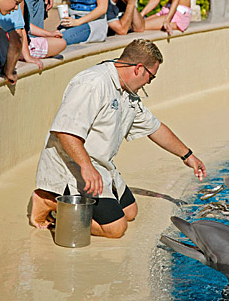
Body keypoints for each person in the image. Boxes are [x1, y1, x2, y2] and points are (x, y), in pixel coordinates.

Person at [30, 39, 207, 238]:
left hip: (100, 167)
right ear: (139, 69)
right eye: (151, 77)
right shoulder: (93, 83)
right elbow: (65, 131)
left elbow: (155, 128)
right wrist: (87, 167)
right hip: (73, 167)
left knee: (130, 212)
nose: (149, 82)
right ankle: (49, 200)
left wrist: (188, 156)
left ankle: (69, 201)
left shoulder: (127, 93)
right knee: (115, 229)